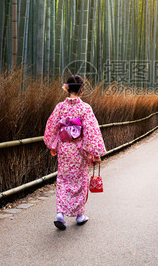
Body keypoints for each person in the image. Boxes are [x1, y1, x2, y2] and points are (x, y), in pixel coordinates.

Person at [43, 75, 107, 230]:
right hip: (78, 149)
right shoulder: (85, 108)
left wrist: (53, 145)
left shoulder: (60, 107)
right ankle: (79, 215)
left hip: (64, 149)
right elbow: (91, 132)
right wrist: (95, 152)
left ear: (68, 88)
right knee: (80, 180)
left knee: (63, 179)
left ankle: (60, 213)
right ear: (81, 90)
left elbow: (52, 127)